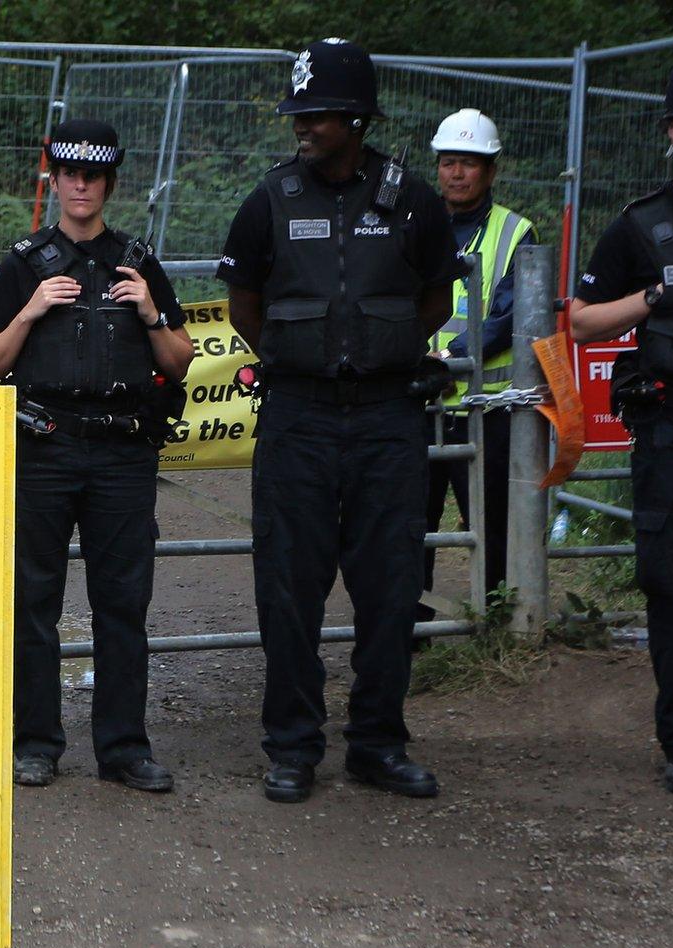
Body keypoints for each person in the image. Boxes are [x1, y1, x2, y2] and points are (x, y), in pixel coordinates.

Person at [218, 38, 460, 804]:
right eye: (299, 113)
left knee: (391, 588)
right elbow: (244, 303)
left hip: (390, 417)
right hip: (299, 418)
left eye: (315, 114)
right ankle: (292, 748)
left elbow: (437, 298)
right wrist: (305, 357)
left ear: (354, 117)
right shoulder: (270, 200)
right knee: (288, 589)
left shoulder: (413, 199)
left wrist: (384, 350)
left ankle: (378, 745)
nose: (302, 126)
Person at [0, 119, 192, 793]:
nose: (81, 185)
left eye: (93, 175)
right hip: (45, 448)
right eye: (70, 173)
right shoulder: (25, 263)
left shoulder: (138, 261)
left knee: (122, 604)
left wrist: (152, 312)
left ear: (109, 182)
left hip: (123, 453)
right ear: (55, 178)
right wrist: (31, 310)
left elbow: (179, 363)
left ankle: (123, 749)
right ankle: (35, 742)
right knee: (33, 601)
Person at [570, 47, 673, 796]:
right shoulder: (641, 226)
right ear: (671, 127)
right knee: (669, 586)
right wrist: (650, 301)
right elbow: (580, 323)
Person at [419, 108, 536, 629]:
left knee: (490, 522)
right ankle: (410, 630)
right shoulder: (414, 226)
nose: (457, 173)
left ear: (490, 170)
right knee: (409, 525)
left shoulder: (516, 232)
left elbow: (511, 315)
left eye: (469, 163)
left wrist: (453, 358)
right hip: (418, 402)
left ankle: (496, 628)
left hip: (483, 409)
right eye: (449, 162)